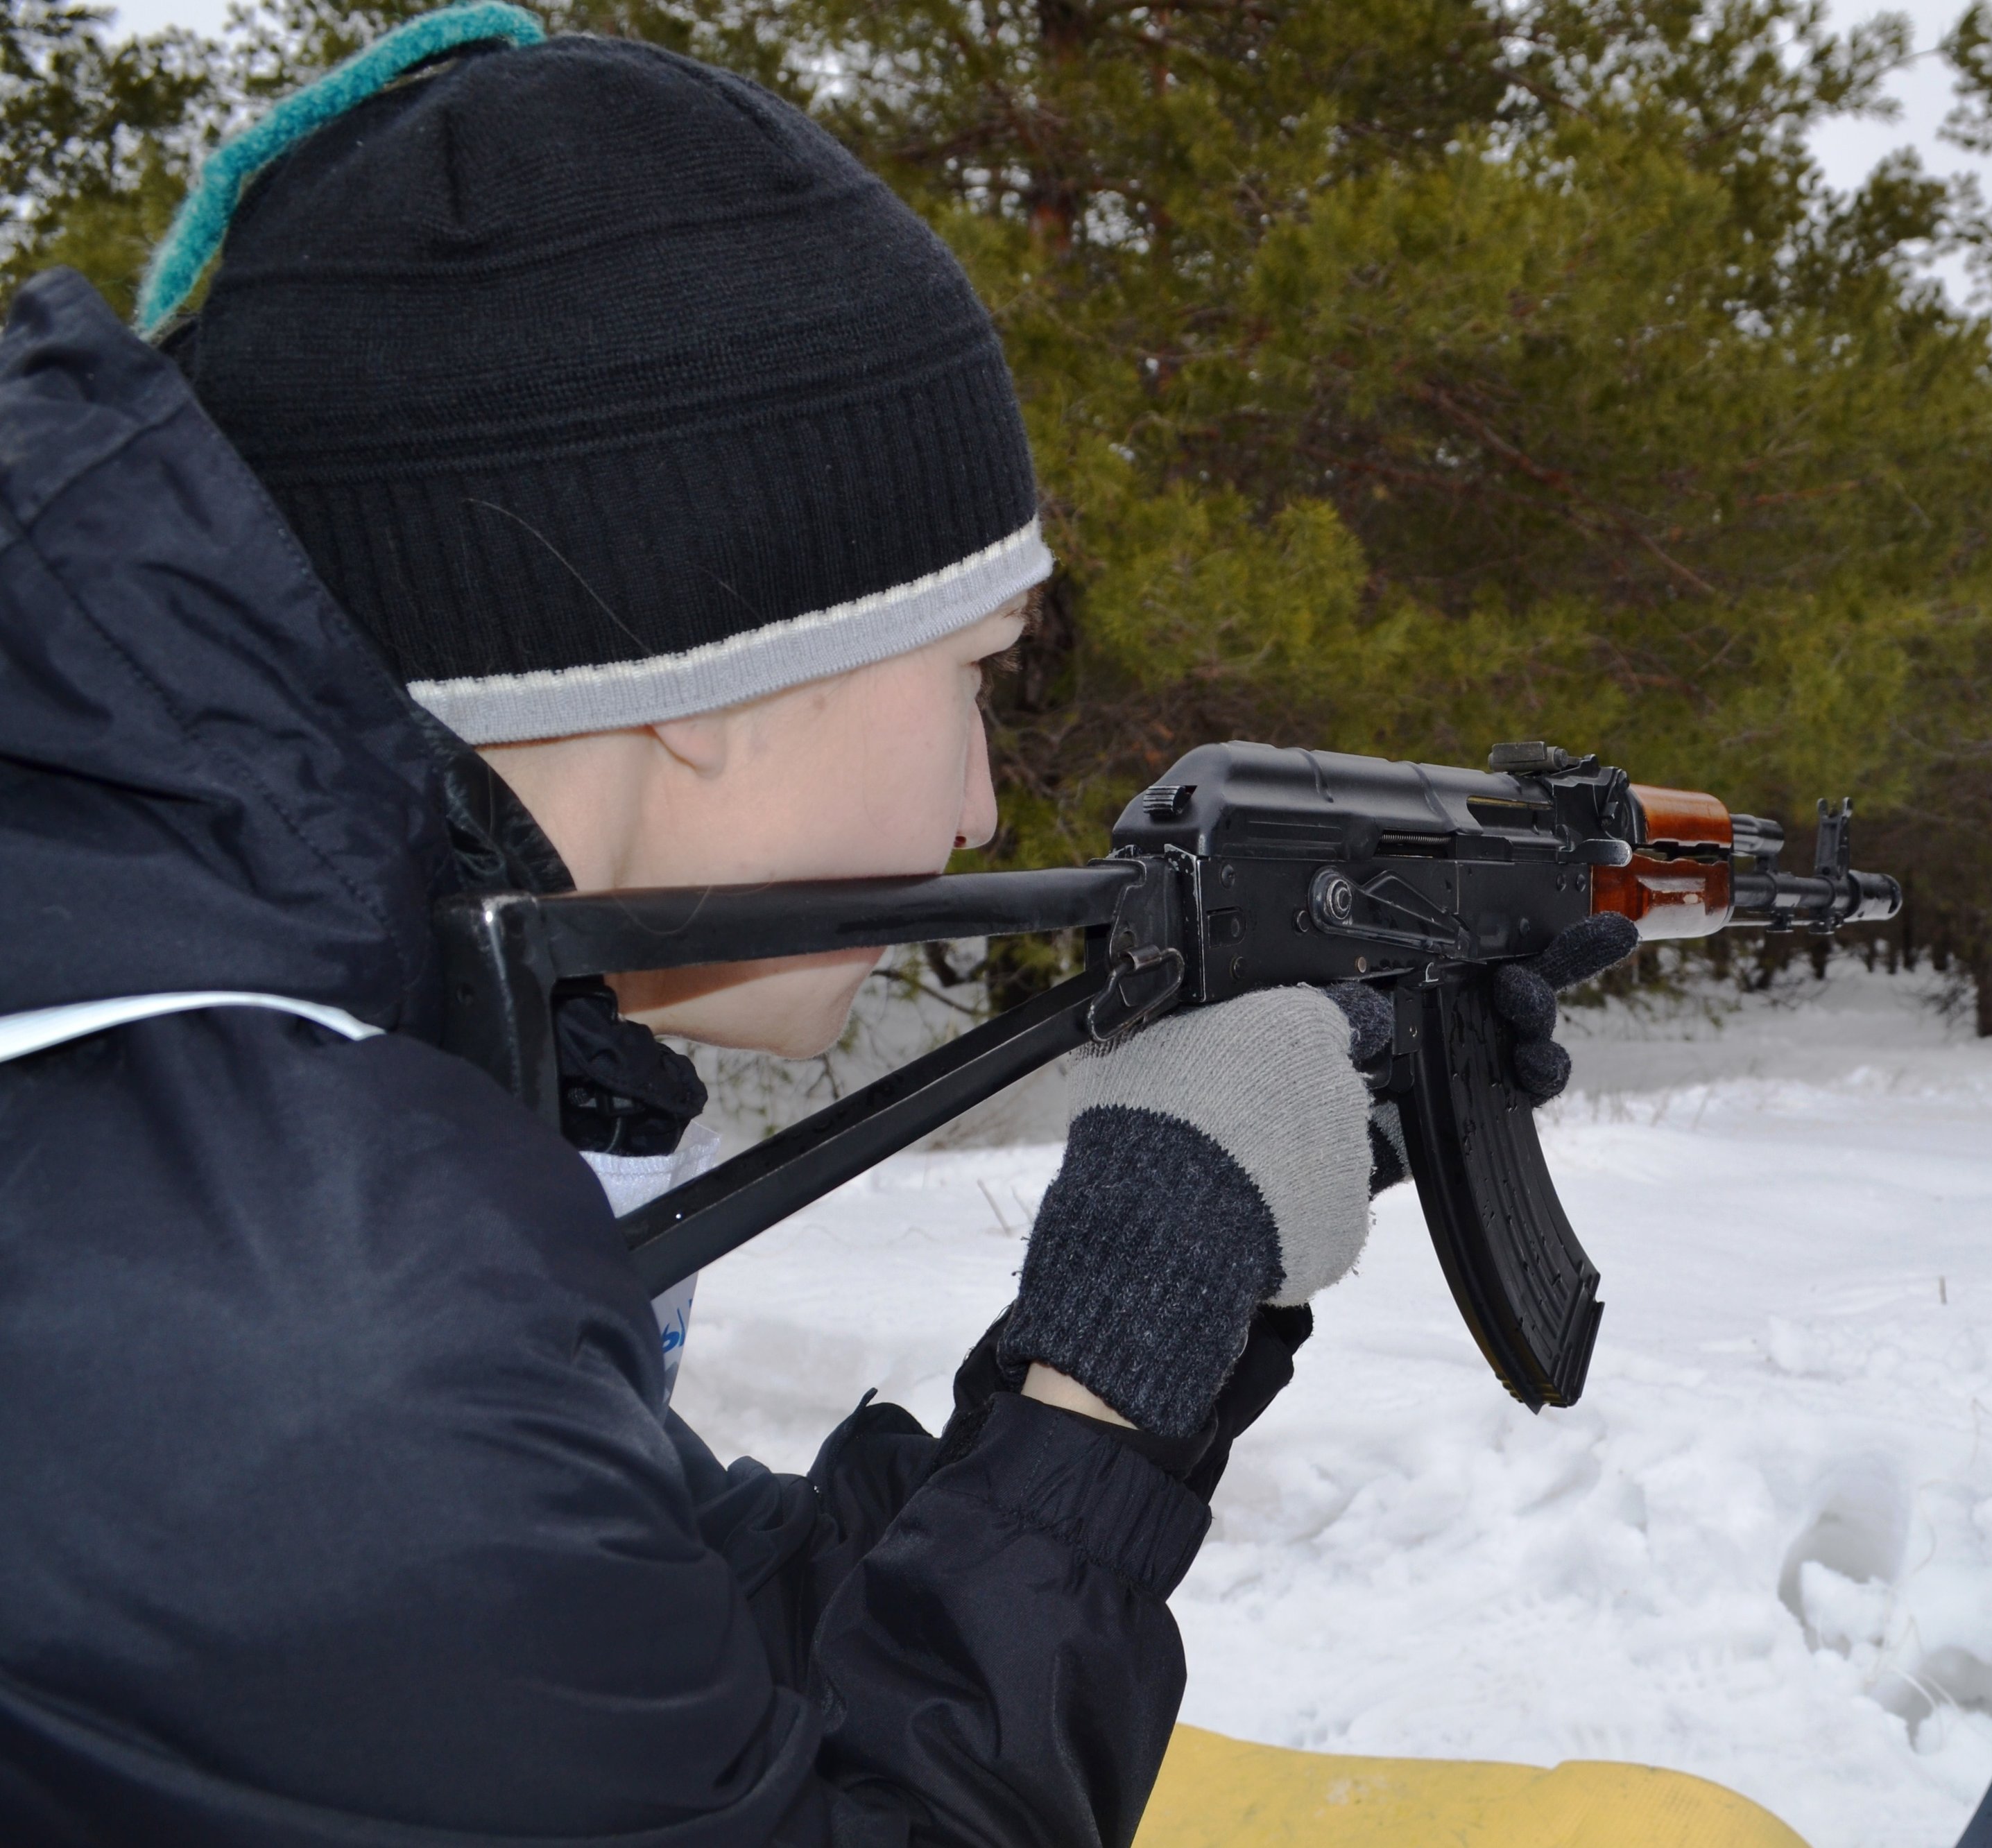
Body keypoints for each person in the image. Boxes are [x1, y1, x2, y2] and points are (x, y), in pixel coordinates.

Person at [0, 12, 1673, 1845]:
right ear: (704, 670)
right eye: (971, 675)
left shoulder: (224, 1091)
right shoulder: (310, 1327)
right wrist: (1108, 1373)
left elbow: (654, 1635)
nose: (974, 803)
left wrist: (1192, 1266)